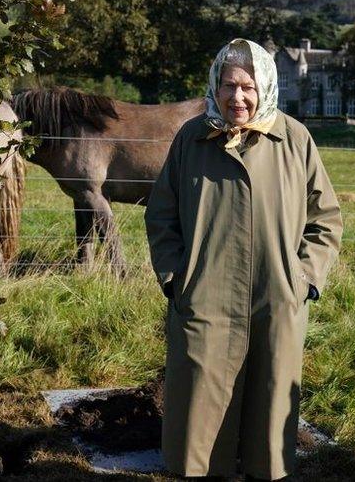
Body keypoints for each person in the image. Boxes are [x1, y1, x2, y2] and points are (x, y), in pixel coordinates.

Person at [144, 39, 342, 480]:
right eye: (229, 86)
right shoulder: (191, 139)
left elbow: (325, 218)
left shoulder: (294, 139)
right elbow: (161, 217)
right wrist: (177, 279)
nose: (238, 97)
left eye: (248, 87)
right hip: (205, 296)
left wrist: (304, 280)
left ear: (265, 87)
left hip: (276, 295)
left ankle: (260, 467)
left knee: (269, 402)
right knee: (200, 402)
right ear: (215, 86)